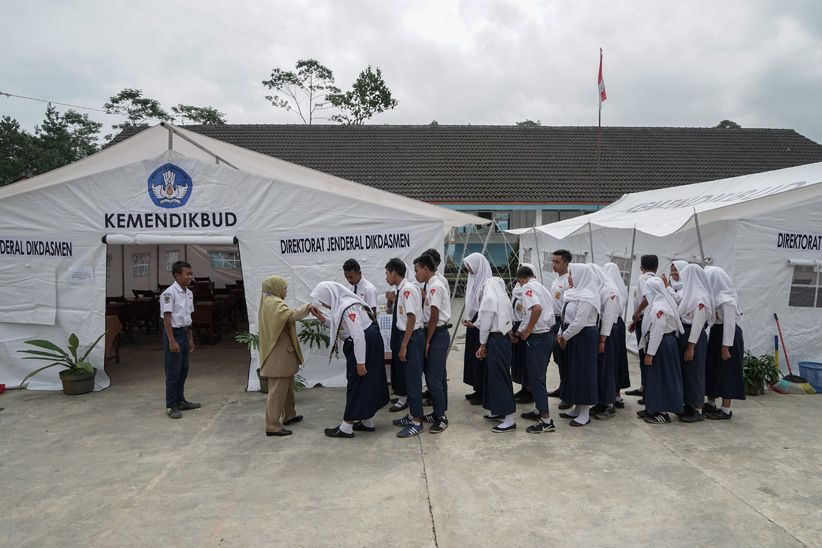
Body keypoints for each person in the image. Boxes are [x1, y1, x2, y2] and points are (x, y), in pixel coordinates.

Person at [310, 282, 389, 438]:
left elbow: (358, 335)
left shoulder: (347, 307)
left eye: (322, 300)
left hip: (363, 344)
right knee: (365, 382)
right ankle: (367, 422)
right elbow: (341, 326)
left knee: (356, 383)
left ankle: (347, 427)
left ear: (329, 295)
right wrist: (322, 318)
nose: (323, 304)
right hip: (368, 341)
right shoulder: (343, 305)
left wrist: (360, 362)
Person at [258, 276, 315, 437]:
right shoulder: (273, 302)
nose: (286, 291)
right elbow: (290, 315)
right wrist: (307, 307)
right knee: (277, 391)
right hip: (278, 354)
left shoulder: (270, 300)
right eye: (284, 288)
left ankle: (289, 415)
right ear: (275, 287)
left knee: (287, 386)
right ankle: (273, 426)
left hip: (282, 352)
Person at [385, 258, 427, 438]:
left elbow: (411, 318)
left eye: (387, 273)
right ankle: (412, 415)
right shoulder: (403, 290)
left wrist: (403, 345)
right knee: (409, 379)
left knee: (413, 380)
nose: (386, 277)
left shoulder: (407, 289)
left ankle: (417, 421)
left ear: (394, 273)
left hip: (411, 337)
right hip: (408, 336)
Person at [556, 264, 600, 427]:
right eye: (569, 274)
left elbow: (580, 322)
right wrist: (561, 331)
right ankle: (576, 407)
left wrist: (565, 335)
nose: (569, 278)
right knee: (572, 371)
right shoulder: (571, 294)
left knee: (583, 373)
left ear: (581, 276)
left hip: (583, 337)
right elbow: (565, 316)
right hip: (571, 334)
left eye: (572, 275)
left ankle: (584, 413)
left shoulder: (587, 296)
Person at [515, 265, 557, 434]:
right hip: (547, 335)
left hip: (538, 338)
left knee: (536, 379)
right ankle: (539, 410)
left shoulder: (527, 287)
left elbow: (536, 310)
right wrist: (518, 332)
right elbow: (530, 314)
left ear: (520, 280)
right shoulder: (541, 287)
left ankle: (546, 421)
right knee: (539, 376)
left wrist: (526, 331)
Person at [471, 277, 516, 432]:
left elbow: (485, 325)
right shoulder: (504, 298)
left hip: (495, 340)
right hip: (502, 340)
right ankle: (496, 410)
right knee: (493, 377)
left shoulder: (489, 299)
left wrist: (482, 345)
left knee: (500, 377)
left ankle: (509, 419)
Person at [639, 278, 685, 424]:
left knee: (662, 378)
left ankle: (662, 413)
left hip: (662, 344)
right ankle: (654, 407)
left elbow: (658, 330)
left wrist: (650, 354)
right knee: (656, 378)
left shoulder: (660, 306)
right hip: (662, 343)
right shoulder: (659, 303)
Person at [414, 254, 451, 434]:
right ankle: (438, 412)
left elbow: (434, 315)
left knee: (433, 378)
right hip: (435, 332)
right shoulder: (431, 286)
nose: (416, 274)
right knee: (438, 376)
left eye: (417, 270)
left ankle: (441, 417)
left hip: (436, 334)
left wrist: (427, 341)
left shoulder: (435, 286)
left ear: (426, 269)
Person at [704, 266, 745, 420]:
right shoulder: (715, 297)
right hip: (717, 333)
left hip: (729, 337)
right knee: (713, 368)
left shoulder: (727, 299)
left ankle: (726, 409)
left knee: (728, 371)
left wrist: (725, 347)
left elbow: (729, 325)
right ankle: (711, 402)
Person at [160, 261, 200, 419]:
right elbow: (167, 319)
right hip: (173, 334)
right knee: (173, 371)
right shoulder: (169, 294)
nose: (190, 277)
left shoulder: (189, 293)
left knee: (183, 369)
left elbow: (188, 317)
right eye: (187, 274)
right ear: (177, 275)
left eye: (191, 273)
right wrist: (171, 340)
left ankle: (181, 400)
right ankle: (171, 405)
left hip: (183, 332)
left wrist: (190, 338)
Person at [676, 264, 713, 423]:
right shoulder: (689, 295)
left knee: (694, 372)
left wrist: (691, 346)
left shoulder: (700, 297)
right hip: (686, 335)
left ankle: (695, 407)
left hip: (694, 337)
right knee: (686, 371)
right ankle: (686, 405)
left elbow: (698, 323)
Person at [590, 264, 620, 420]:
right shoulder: (598, 288)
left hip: (606, 332)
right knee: (599, 368)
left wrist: (603, 339)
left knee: (606, 367)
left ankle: (609, 404)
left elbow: (608, 317)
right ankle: (600, 401)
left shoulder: (609, 291)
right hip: (601, 330)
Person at [627, 254, 658, 401]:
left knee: (644, 354)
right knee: (646, 354)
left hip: (644, 319)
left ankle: (647, 390)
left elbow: (646, 298)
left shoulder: (643, 278)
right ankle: (645, 387)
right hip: (650, 320)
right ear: (656, 268)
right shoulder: (657, 280)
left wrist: (637, 312)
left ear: (641, 268)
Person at [462, 253, 492, 405]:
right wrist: (469, 317)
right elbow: (471, 302)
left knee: (481, 356)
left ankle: (483, 391)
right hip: (473, 322)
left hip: (482, 324)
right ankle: (477, 388)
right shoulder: (474, 280)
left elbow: (486, 309)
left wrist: (476, 322)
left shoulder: (487, 283)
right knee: (473, 357)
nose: (469, 271)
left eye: (471, 268)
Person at [603, 262, 631, 406]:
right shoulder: (621, 290)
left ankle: (611, 396)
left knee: (611, 360)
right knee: (619, 359)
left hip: (610, 325)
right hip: (618, 324)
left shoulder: (608, 290)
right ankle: (617, 394)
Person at [549, 250, 572, 410]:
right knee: (558, 358)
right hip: (554, 320)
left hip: (563, 321)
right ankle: (562, 386)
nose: (554, 265)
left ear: (566, 263)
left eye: (557, 262)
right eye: (553, 261)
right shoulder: (556, 280)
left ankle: (568, 394)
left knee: (566, 359)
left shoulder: (568, 281)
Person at [510, 268, 532, 404]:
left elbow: (527, 315)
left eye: (523, 278)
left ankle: (529, 391)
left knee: (526, 361)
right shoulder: (517, 290)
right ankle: (523, 387)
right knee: (518, 361)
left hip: (523, 329)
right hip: (515, 326)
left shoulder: (528, 292)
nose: (520, 281)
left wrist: (519, 332)